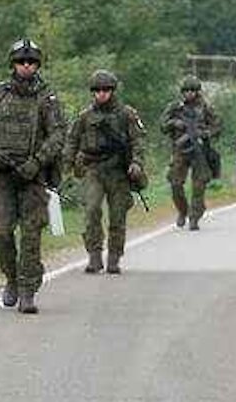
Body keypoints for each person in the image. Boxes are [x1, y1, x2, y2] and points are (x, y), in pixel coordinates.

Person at [0, 38, 66, 314]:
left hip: (33, 179)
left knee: (31, 235)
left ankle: (27, 290)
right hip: (4, 177)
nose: (26, 66)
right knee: (0, 231)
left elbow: (59, 134)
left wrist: (37, 162)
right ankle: (11, 278)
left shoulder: (47, 98)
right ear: (13, 64)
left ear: (37, 65)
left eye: (32, 61)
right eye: (22, 61)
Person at [63, 70, 147, 275]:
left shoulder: (126, 114)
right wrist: (66, 164)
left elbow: (138, 141)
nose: (101, 94)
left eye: (106, 90)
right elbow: (72, 140)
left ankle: (114, 257)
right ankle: (94, 255)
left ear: (112, 91)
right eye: (97, 90)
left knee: (118, 215)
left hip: (118, 170)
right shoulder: (85, 116)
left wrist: (136, 162)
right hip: (93, 168)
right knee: (91, 209)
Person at [161, 75, 222, 230]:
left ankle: (194, 216)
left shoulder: (206, 107)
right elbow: (162, 125)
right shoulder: (175, 107)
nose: (189, 94)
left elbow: (217, 125)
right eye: (186, 91)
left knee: (199, 185)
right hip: (180, 149)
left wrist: (207, 133)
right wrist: (175, 123)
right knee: (175, 183)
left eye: (192, 91)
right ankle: (183, 211)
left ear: (197, 92)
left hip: (199, 150)